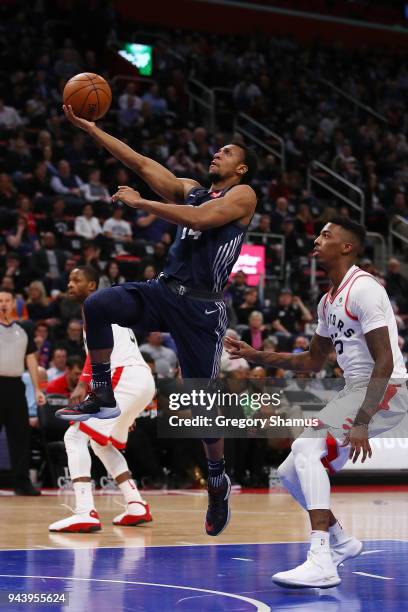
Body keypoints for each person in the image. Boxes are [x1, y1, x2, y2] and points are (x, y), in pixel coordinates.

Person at [58, 103, 258, 536]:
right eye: (217, 150)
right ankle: (101, 393)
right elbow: (139, 161)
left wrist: (140, 202)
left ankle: (218, 478)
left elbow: (202, 220)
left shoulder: (243, 196)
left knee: (201, 405)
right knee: (98, 305)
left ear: (240, 168)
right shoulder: (192, 188)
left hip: (202, 307)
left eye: (225, 152)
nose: (216, 155)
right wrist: (92, 128)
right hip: (165, 290)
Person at [225, 217, 408, 588]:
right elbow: (310, 362)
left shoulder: (365, 288)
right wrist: (256, 355)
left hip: (386, 389)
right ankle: (341, 540)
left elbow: (386, 360)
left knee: (306, 448)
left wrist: (362, 420)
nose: (317, 240)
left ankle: (321, 558)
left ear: (347, 247)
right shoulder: (328, 301)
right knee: (292, 471)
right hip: (355, 391)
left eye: (327, 235)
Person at [48, 266, 155, 532]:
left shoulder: (96, 306)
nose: (70, 283)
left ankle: (85, 511)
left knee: (74, 437)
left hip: (125, 376)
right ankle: (135, 504)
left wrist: (84, 384)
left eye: (77, 280)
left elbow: (99, 353)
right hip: (141, 379)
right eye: (69, 279)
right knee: (100, 444)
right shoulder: (106, 308)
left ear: (93, 285)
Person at [0, 290, 46, 495]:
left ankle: (22, 482)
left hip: (16, 386)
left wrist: (37, 388)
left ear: (13, 304)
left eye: (7, 300)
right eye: (0, 300)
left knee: (20, 435)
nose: (3, 304)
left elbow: (31, 361)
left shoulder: (23, 330)